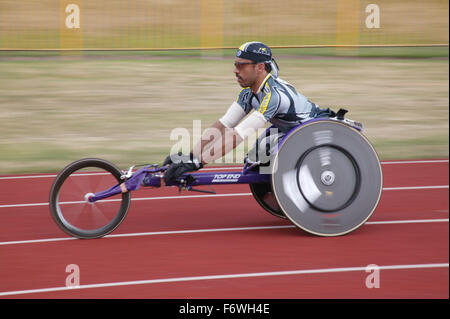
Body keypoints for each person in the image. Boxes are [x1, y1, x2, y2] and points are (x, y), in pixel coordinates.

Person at [163, 41, 330, 183]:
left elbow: (238, 134)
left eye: (241, 65)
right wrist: (192, 156)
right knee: (255, 159)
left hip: (314, 132)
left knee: (262, 157)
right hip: (290, 131)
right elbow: (223, 125)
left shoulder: (274, 96)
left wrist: (198, 163)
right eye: (235, 64)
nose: (235, 70)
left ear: (260, 67)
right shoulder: (249, 93)